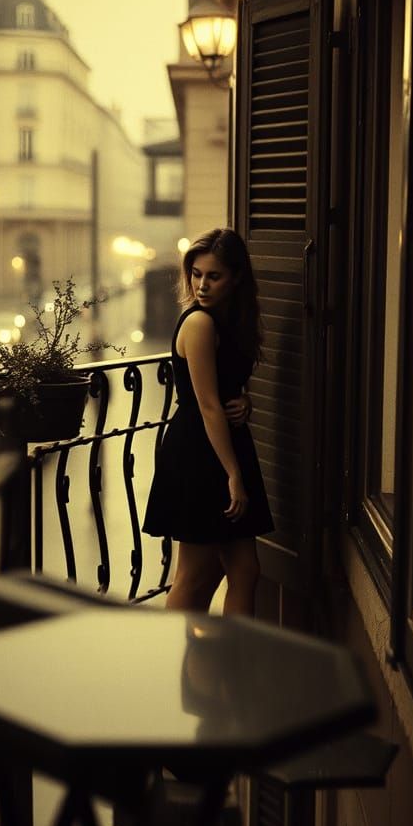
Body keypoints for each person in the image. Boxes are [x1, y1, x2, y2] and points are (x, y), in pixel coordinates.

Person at [142, 228, 274, 616]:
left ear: (236, 277)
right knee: (194, 577)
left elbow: (226, 385)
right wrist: (234, 474)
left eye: (213, 276)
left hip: (222, 444)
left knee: (245, 571)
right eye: (196, 274)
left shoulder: (231, 320)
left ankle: (232, 664)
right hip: (201, 454)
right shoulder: (199, 323)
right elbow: (207, 404)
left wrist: (244, 399)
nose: (201, 284)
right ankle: (177, 663)